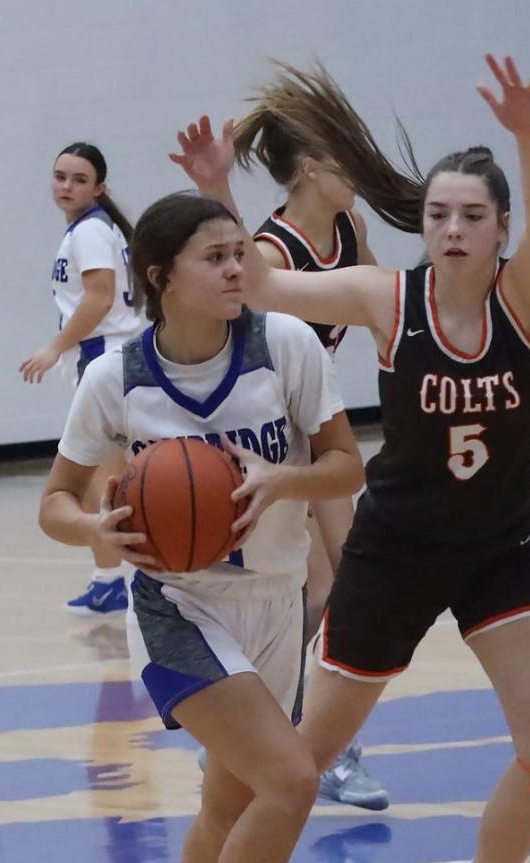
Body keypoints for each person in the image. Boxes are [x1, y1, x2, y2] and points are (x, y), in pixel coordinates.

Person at [172, 54, 530, 863]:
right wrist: (216, 189)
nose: (453, 228)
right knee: (295, 765)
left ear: (502, 227)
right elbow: (264, 289)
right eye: (438, 214)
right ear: (421, 227)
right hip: (396, 554)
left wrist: (529, 134)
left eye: (474, 214)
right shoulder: (389, 297)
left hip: (505, 547)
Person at [39, 191, 364, 863]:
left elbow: (345, 465)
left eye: (239, 253)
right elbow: (56, 503)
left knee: (232, 799)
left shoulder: (284, 345)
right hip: (179, 606)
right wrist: (95, 531)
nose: (235, 269)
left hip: (276, 600)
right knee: (292, 782)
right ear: (161, 277)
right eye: (216, 257)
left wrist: (279, 480)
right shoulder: (117, 378)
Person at [200, 106, 388, 811]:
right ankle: (281, 741)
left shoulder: (349, 229)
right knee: (309, 591)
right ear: (310, 168)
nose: (358, 175)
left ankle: (294, 738)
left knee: (342, 588)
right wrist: (217, 186)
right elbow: (240, 280)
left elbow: (381, 309)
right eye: (345, 160)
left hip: (315, 422)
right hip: (264, 429)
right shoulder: (275, 251)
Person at [21, 142, 145, 615]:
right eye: (60, 176)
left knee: (105, 479)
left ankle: (124, 578)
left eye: (77, 179)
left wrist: (53, 348)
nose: (66, 186)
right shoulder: (91, 229)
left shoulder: (90, 233)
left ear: (99, 188)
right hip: (106, 359)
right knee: (102, 477)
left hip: (103, 359)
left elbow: (99, 297)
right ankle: (110, 576)